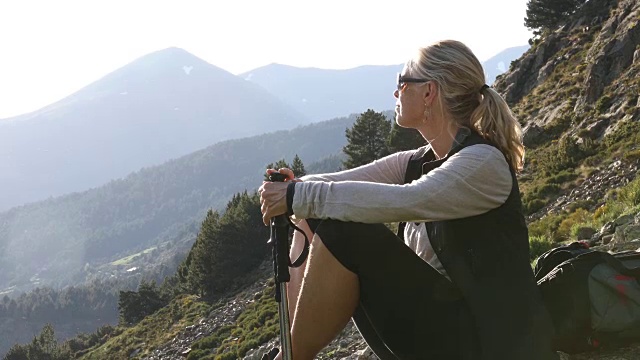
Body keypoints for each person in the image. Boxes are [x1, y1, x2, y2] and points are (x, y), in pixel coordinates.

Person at [258, 40, 558, 360]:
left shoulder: (482, 163)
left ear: (429, 92)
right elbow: (343, 184)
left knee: (341, 233)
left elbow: (407, 200)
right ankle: (287, 352)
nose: (396, 93)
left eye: (402, 83)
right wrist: (296, 187)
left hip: (493, 345)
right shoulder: (421, 160)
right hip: (451, 330)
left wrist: (298, 196)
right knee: (311, 213)